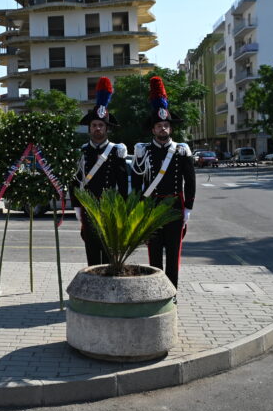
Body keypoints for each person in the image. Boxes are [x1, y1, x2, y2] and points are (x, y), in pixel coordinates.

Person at [129, 77, 196, 291]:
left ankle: (172, 291)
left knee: (174, 252)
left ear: (171, 128)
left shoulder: (181, 150)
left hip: (175, 206)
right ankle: (155, 289)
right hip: (152, 207)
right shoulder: (143, 151)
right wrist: (139, 208)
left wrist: (188, 208)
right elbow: (137, 182)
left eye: (166, 126)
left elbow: (190, 180)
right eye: (159, 126)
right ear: (153, 129)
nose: (163, 129)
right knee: (154, 251)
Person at [70, 77, 129, 266]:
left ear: (106, 128)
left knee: (109, 252)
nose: (97, 128)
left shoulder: (116, 151)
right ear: (89, 128)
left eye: (101, 125)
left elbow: (122, 184)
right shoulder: (82, 152)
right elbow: (75, 181)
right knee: (92, 251)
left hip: (109, 208)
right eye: (94, 125)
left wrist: (122, 209)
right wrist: (77, 207)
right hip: (88, 209)